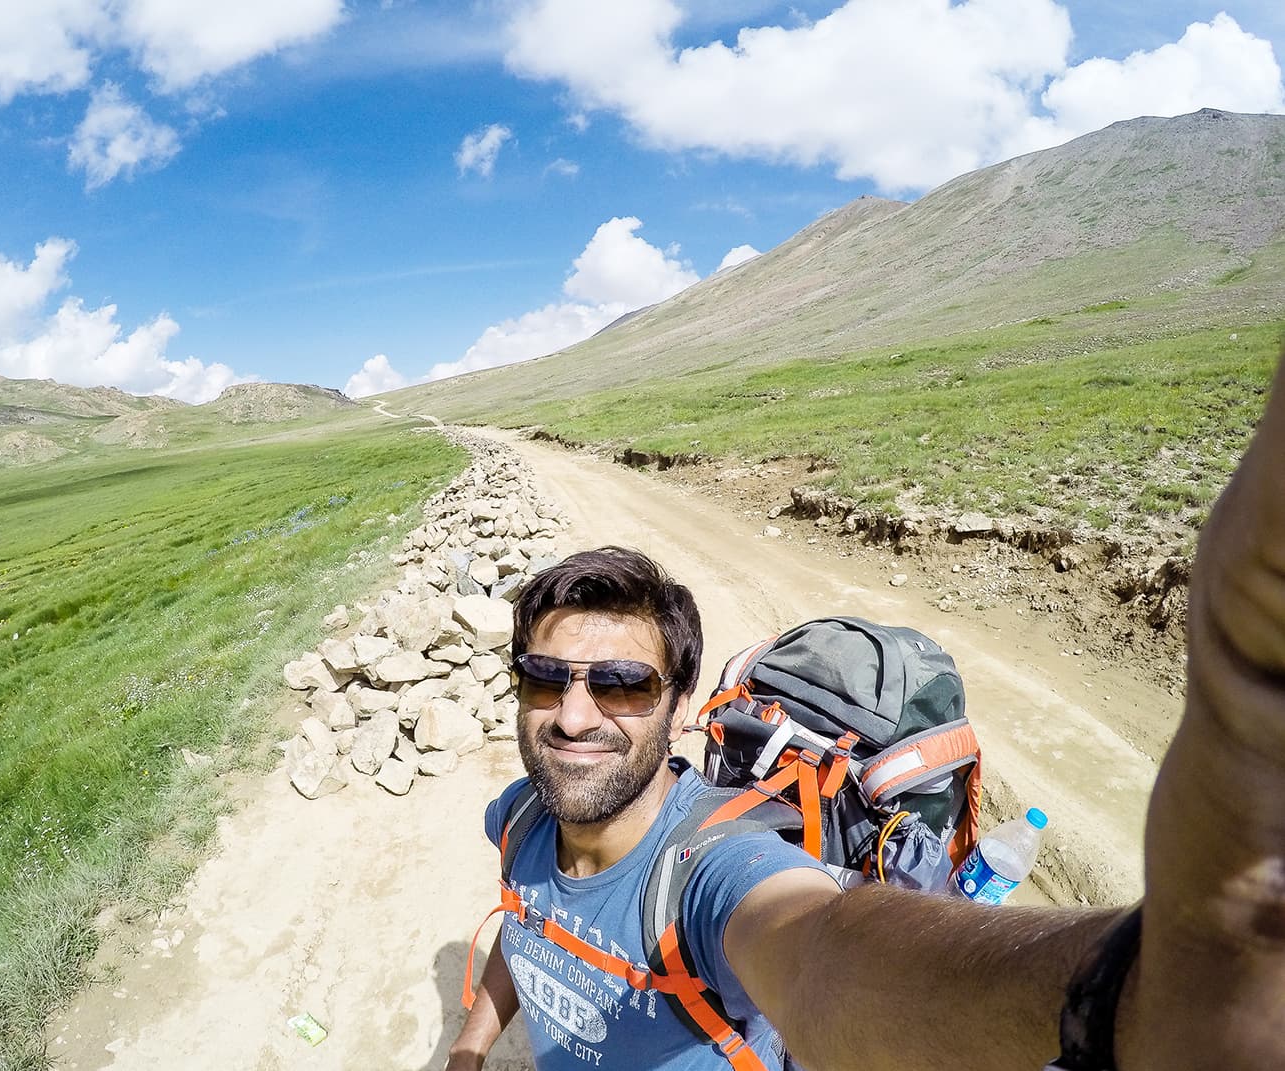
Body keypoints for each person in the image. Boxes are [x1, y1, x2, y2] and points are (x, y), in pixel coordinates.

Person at [447, 353, 1285, 1071]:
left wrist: (1135, 990)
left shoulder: (715, 871)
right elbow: (528, 928)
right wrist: (471, 1047)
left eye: (623, 683)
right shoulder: (520, 815)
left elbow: (822, 957)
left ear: (679, 709)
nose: (572, 714)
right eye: (546, 678)